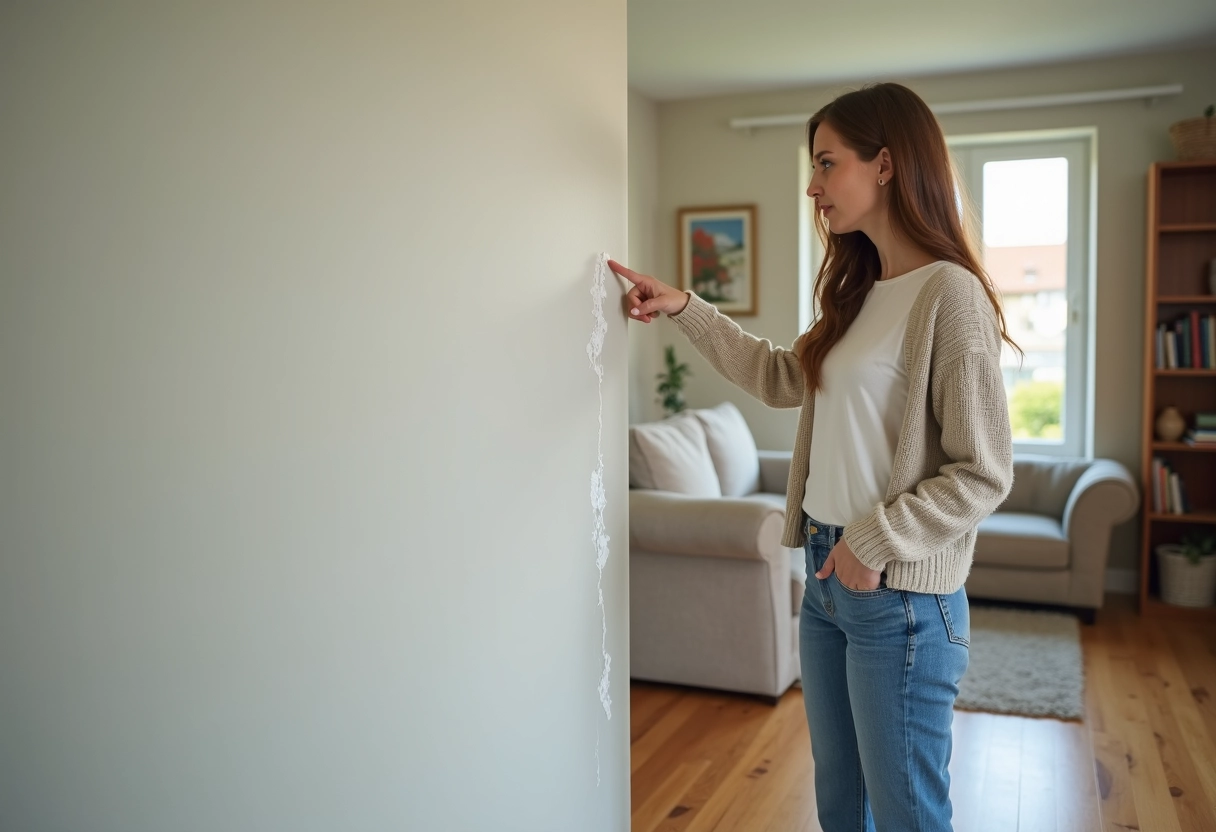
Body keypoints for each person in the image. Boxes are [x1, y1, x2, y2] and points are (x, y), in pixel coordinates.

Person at [608, 82, 1018, 832]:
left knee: (907, 818)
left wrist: (873, 541)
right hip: (827, 581)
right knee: (841, 809)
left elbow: (983, 470)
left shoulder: (948, 297)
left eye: (827, 163)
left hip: (898, 596)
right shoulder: (861, 293)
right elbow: (780, 376)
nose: (813, 184)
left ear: (886, 164)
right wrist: (687, 308)